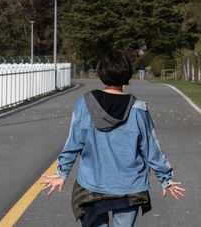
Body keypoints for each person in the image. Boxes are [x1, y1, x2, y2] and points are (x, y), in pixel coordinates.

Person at [40, 49, 185, 227]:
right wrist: (166, 179)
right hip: (130, 187)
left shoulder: (85, 103)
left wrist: (61, 173)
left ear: (101, 74)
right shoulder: (138, 109)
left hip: (92, 184)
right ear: (127, 75)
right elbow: (151, 149)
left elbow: (73, 143)